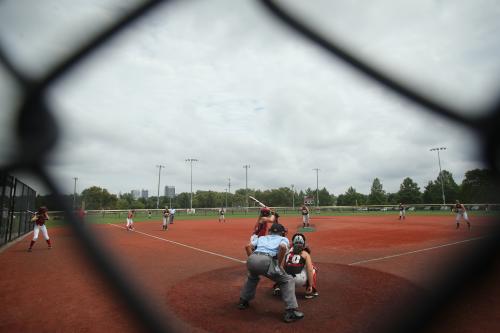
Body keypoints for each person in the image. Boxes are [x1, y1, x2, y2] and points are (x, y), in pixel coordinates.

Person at [239, 223, 304, 323]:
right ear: (282, 233)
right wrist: (278, 264)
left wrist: (253, 260)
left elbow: (247, 246)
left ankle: (243, 301)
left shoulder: (262, 238)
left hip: (252, 259)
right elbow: (282, 248)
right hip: (267, 260)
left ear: (270, 231)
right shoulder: (283, 239)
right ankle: (290, 312)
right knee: (287, 280)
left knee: (253, 277)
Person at [277, 233, 319, 299]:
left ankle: (279, 287)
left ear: (292, 243)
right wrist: (310, 285)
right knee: (313, 269)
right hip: (299, 281)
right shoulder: (305, 253)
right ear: (304, 243)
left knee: (280, 268)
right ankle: (310, 291)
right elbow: (310, 270)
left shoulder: (287, 252)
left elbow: (282, 267)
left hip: (286, 279)